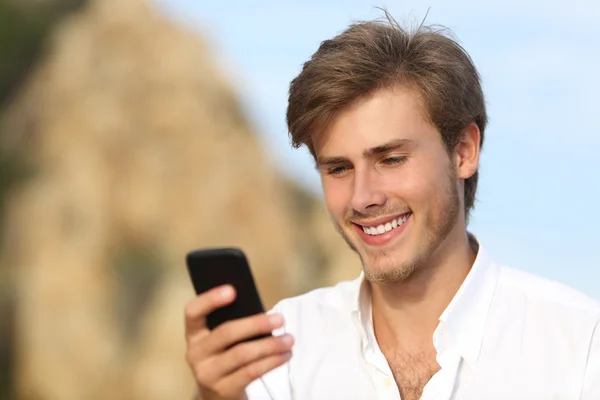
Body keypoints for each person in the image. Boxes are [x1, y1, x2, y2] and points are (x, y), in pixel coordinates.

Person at [184, 11, 600, 400]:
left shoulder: (580, 345)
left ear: (464, 151)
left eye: (391, 159)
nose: (363, 197)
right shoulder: (282, 348)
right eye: (338, 168)